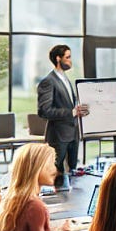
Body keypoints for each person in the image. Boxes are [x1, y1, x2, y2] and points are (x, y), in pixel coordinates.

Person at [37, 44, 88, 189]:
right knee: (56, 177)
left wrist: (78, 110)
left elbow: (68, 103)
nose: (71, 61)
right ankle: (59, 208)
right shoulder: (48, 81)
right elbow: (44, 111)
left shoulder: (65, 79)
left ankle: (72, 206)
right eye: (68, 57)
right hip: (58, 136)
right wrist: (71, 112)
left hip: (73, 134)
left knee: (72, 175)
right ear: (58, 59)